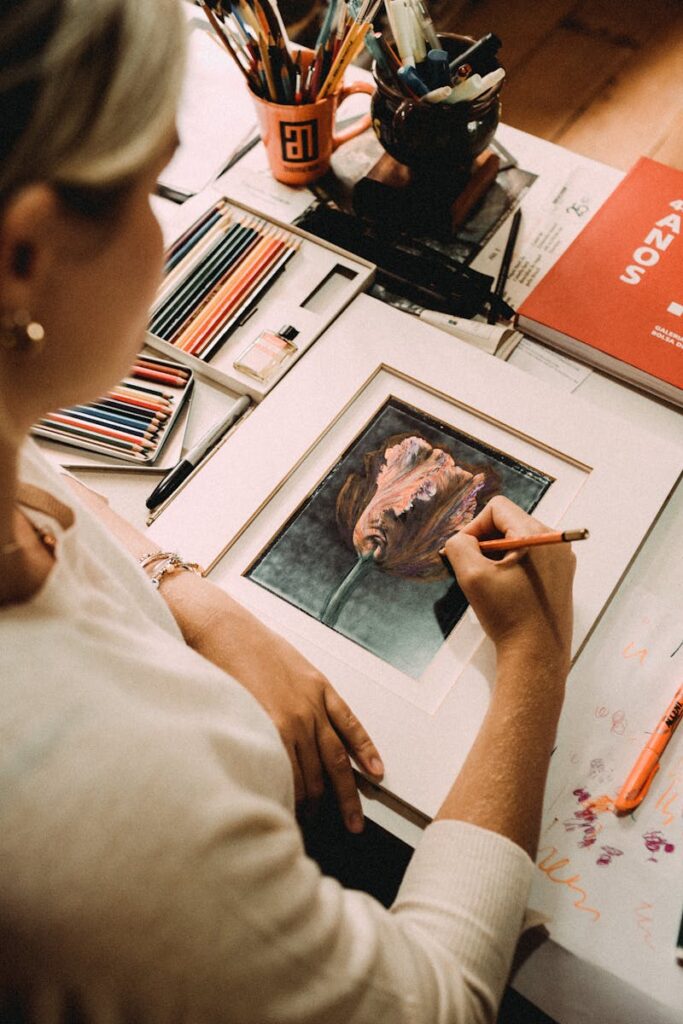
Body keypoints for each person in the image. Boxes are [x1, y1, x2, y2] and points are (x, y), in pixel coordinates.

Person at [0, 2, 576, 1021]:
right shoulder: (107, 803)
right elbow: (434, 1006)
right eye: (145, 188)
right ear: (24, 257)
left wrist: (188, 594)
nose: (166, 225)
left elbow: (41, 474)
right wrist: (532, 659)